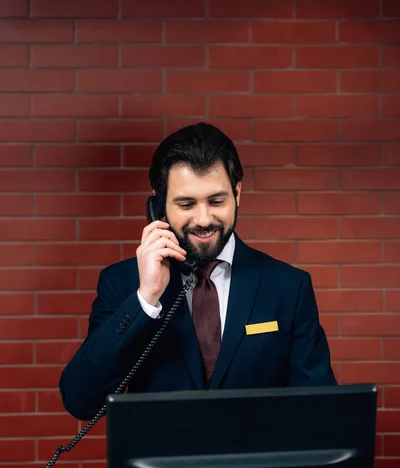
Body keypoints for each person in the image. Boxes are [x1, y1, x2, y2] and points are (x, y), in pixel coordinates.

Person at [60, 122, 336, 421]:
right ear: (158, 204)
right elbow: (80, 400)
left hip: (258, 466)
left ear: (238, 193)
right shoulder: (122, 283)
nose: (204, 219)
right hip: (161, 466)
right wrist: (146, 298)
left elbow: (320, 412)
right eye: (186, 204)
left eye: (216, 201)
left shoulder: (288, 287)